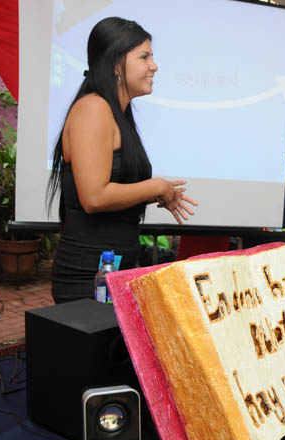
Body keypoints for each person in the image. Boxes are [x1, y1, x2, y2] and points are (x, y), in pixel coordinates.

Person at [46, 17, 197, 304]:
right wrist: (155, 187)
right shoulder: (93, 108)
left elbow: (112, 188)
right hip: (88, 277)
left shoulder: (118, 113)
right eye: (144, 57)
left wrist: (157, 194)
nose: (154, 65)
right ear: (116, 63)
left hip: (115, 272)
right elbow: (94, 197)